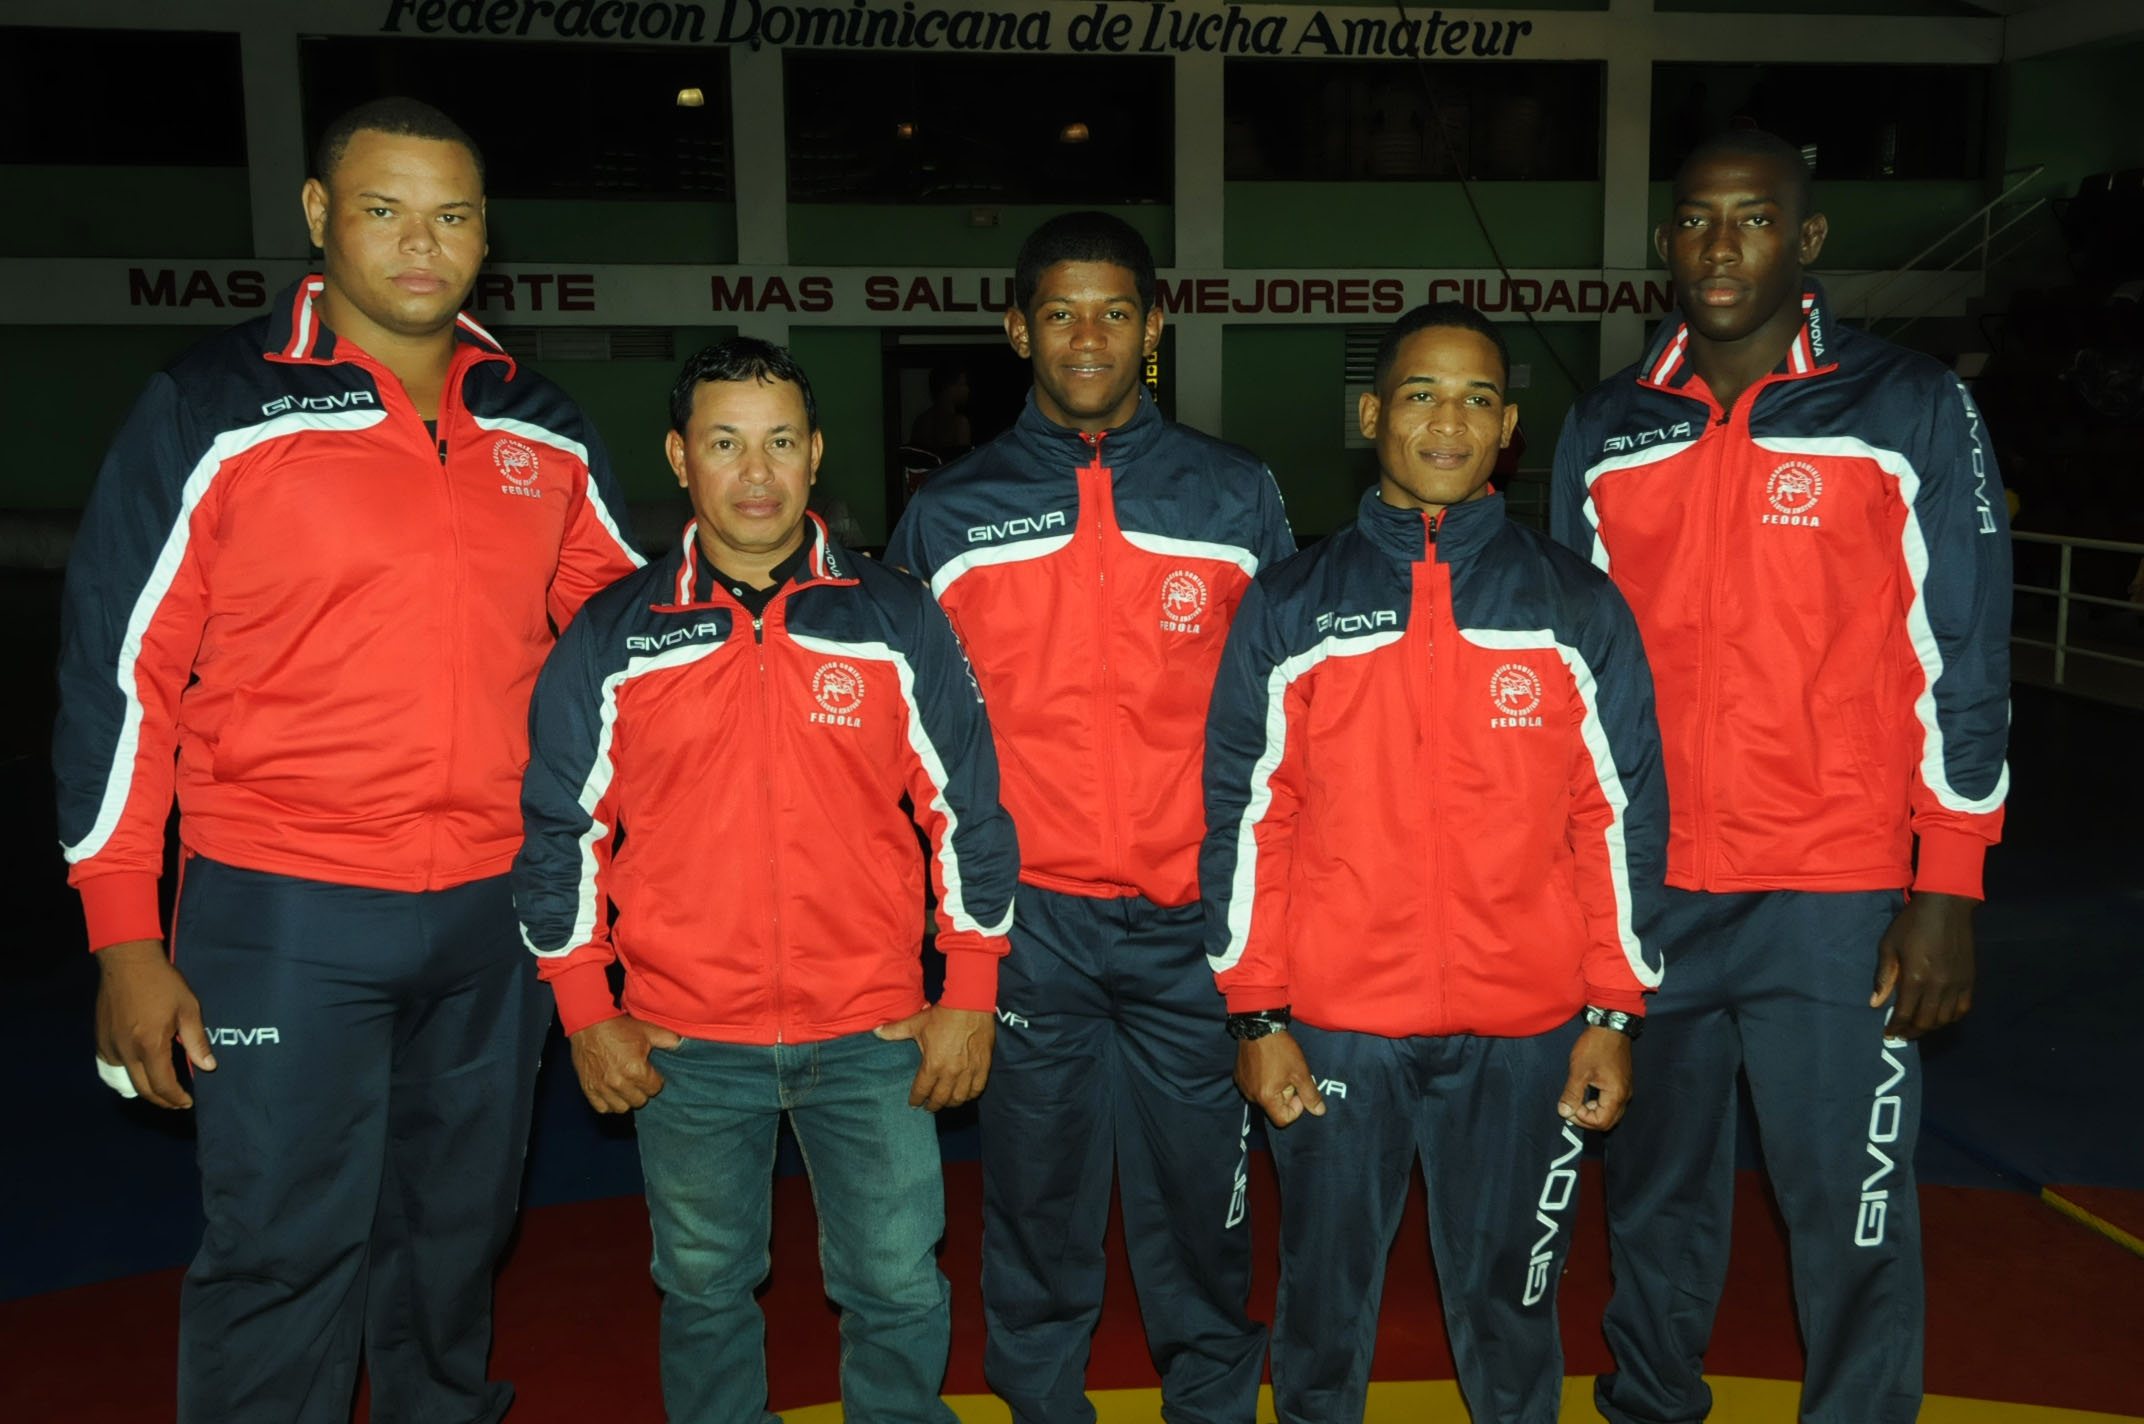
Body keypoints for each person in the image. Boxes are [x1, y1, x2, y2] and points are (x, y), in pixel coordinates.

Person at [54, 98, 645, 1422]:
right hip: (281, 905)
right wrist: (124, 935)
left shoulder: (541, 424)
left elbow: (630, 648)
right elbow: (120, 670)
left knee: (456, 1233)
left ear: (486, 234)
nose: (421, 244)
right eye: (385, 210)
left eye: (451, 215)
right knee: (283, 1244)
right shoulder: (216, 404)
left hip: (494, 910)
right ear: (321, 216)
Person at [1550, 130, 2012, 1424]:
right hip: (1653, 896)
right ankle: (1650, 1403)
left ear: (1804, 240)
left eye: (1753, 219)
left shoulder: (1906, 406)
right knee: (1650, 1197)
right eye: (1698, 219)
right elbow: (1572, 678)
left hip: (1833, 897)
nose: (1721, 246)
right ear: (1665, 240)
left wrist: (1946, 883)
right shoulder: (1604, 425)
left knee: (1847, 1207)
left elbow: (1965, 648)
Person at [513, 338, 1020, 1424]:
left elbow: (969, 810)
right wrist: (586, 1010)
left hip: (873, 1033)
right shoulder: (615, 633)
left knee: (897, 1286)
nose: (756, 472)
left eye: (780, 441)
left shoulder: (896, 617)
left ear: (816, 453)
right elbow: (559, 831)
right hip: (684, 1042)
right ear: (679, 457)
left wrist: (970, 990)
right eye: (726, 443)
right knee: (703, 1291)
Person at [1204, 304, 1668, 1424]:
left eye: (1474, 399)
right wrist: (1256, 1014)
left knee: (1513, 1306)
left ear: (1507, 427)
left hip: (1526, 1029)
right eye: (1420, 393)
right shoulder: (1291, 603)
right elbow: (1248, 815)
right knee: (1321, 1307)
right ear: (1371, 415)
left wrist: (1614, 1009)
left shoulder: (1573, 603)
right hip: (1336, 1025)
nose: (1446, 421)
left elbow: (1617, 815)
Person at [883, 211, 1294, 1424]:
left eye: (1113, 311)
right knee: (1034, 1203)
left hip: (1190, 924)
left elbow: (1289, 709)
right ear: (1016, 329)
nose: (1086, 337)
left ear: (1152, 325)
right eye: (1058, 312)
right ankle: (1039, 1401)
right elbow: (906, 738)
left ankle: (1209, 1401)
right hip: (1030, 927)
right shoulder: (947, 512)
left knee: (1203, 1207)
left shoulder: (1234, 492)